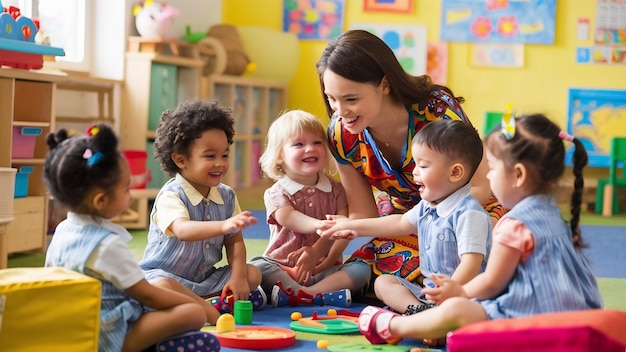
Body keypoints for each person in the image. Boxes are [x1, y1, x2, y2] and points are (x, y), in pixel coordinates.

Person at [357, 113, 603, 345]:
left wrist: (459, 291)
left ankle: (397, 326)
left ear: (518, 175)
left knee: (457, 309)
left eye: (493, 169)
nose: (488, 178)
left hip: (531, 319)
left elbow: (492, 283)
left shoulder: (514, 225)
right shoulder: (556, 217)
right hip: (580, 319)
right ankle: (429, 321)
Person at [316, 29, 506, 297]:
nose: (340, 111)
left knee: (475, 260)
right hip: (402, 218)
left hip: (464, 211)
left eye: (351, 99)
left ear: (384, 84)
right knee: (362, 269)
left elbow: (480, 187)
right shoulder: (340, 133)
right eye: (331, 99)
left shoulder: (437, 111)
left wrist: (433, 226)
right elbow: (363, 214)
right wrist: (321, 252)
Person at [43, 124, 221, 352]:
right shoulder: (106, 245)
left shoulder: (63, 229)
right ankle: (152, 345)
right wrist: (192, 304)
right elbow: (148, 296)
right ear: (101, 201)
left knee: (166, 282)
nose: (131, 193)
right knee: (192, 313)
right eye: (126, 189)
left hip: (73, 326)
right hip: (106, 336)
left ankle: (205, 315)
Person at [318, 119, 491, 316]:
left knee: (461, 314)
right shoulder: (429, 204)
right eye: (415, 164)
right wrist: (353, 226)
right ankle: (417, 312)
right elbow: (400, 223)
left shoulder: (469, 213)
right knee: (383, 282)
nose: (414, 172)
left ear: (455, 172)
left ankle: (433, 320)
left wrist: (452, 290)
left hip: (465, 297)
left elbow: (471, 262)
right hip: (431, 297)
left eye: (423, 166)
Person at [139, 99, 266, 313]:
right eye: (210, 156)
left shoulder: (226, 195)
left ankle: (199, 303)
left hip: (204, 280)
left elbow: (235, 243)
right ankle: (207, 305)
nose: (220, 163)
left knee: (252, 273)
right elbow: (183, 230)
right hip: (164, 278)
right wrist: (223, 225)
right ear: (181, 160)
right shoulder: (171, 195)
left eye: (224, 155)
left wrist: (237, 277)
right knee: (158, 286)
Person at [249, 110, 371, 308]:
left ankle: (306, 294)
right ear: (280, 155)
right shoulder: (276, 192)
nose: (310, 149)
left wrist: (327, 261)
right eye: (299, 144)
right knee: (256, 267)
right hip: (284, 268)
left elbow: (343, 232)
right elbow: (288, 217)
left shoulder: (336, 189)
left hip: (324, 270)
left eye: (317, 142)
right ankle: (318, 295)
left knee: (361, 270)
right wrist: (320, 225)